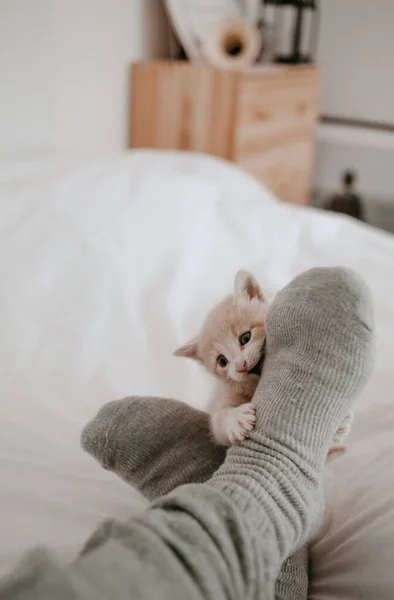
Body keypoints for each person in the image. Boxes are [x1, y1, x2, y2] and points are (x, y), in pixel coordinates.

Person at [0, 267, 374, 600]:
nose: (240, 364)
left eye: (245, 338)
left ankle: (237, 485)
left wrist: (332, 427)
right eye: (223, 362)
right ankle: (275, 483)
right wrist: (233, 422)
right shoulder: (233, 383)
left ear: (259, 296)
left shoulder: (252, 312)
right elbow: (221, 418)